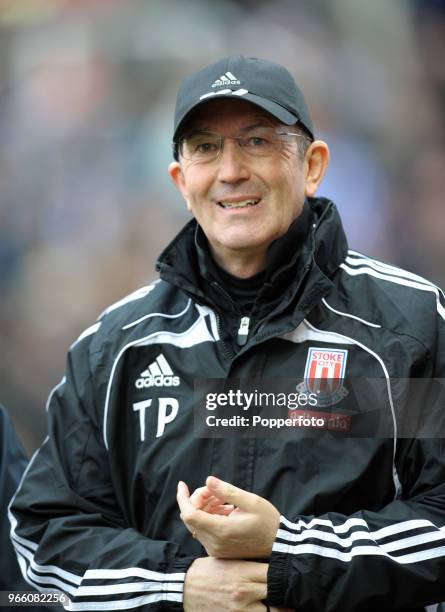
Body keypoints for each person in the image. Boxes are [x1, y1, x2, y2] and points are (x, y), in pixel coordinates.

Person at [8, 55, 445, 611]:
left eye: (258, 141)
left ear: (312, 165)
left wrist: (290, 551)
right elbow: (45, 540)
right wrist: (179, 587)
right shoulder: (115, 350)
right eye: (205, 147)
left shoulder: (407, 328)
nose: (231, 170)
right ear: (180, 180)